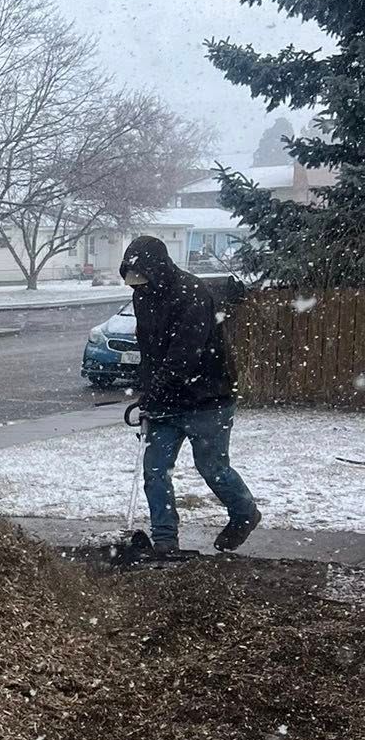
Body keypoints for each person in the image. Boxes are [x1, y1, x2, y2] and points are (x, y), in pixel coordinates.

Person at [119, 234, 261, 557]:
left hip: (208, 398)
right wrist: (147, 391)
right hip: (167, 402)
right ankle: (165, 541)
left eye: (141, 279)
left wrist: (153, 393)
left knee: (212, 468)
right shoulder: (142, 296)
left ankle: (244, 513)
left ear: (158, 270)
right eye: (132, 281)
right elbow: (150, 350)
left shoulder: (192, 295)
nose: (136, 287)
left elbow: (184, 359)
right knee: (155, 470)